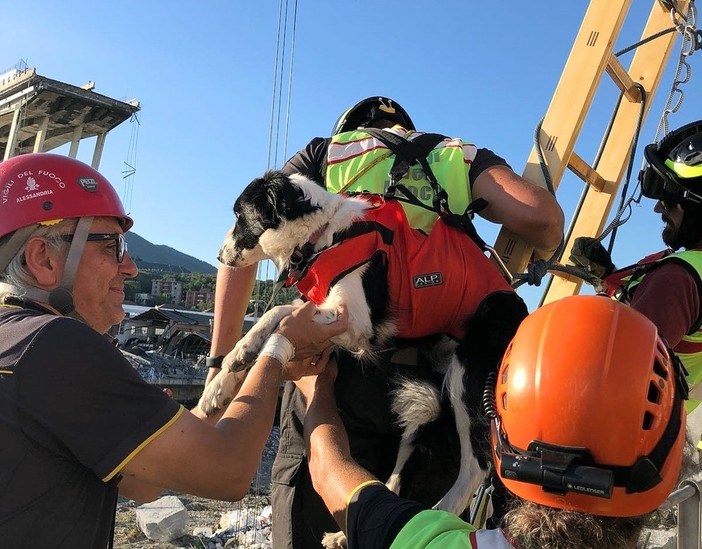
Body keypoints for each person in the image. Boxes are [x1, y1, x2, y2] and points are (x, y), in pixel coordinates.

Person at [206, 96, 565, 546]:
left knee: (311, 516)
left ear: (353, 129)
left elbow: (243, 240)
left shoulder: (325, 154)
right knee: (410, 534)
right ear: (408, 130)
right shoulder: (454, 155)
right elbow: (542, 216)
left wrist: (221, 360)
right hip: (433, 388)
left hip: (334, 377)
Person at [0, 153, 347, 548]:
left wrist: (225, 382)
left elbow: (142, 483)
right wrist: (279, 348)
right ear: (43, 258)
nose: (130, 267)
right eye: (112, 246)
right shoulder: (54, 345)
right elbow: (228, 471)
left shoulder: (15, 342)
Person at [296, 295, 689, 549]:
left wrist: (317, 386)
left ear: (497, 438)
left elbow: (330, 472)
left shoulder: (431, 543)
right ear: (668, 465)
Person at [571, 119, 702, 411]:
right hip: (666, 440)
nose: (658, 208)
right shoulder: (686, 271)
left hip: (622, 440)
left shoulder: (678, 277)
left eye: (669, 200)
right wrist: (607, 277)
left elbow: (618, 377)